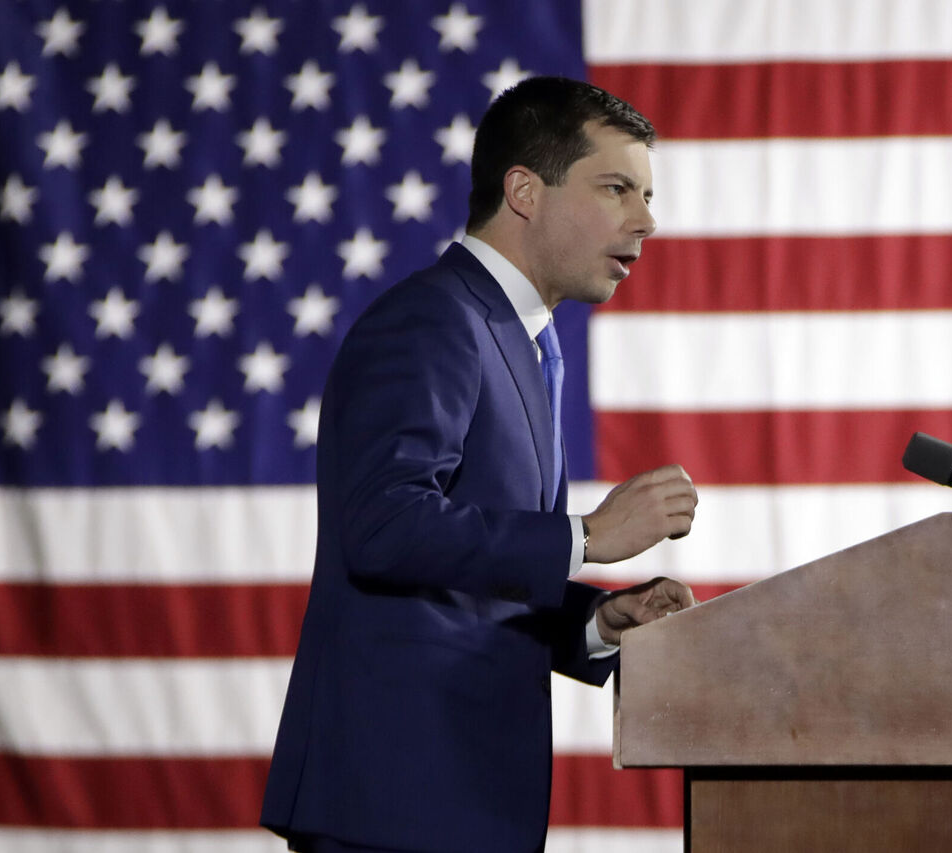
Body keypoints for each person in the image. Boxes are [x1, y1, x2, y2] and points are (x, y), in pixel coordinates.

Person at [260, 77, 699, 853]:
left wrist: (594, 620)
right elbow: (385, 525)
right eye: (617, 188)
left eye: (648, 194)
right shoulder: (435, 319)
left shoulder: (522, 338)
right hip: (394, 803)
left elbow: (469, 570)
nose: (646, 220)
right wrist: (589, 536)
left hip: (460, 803)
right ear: (525, 190)